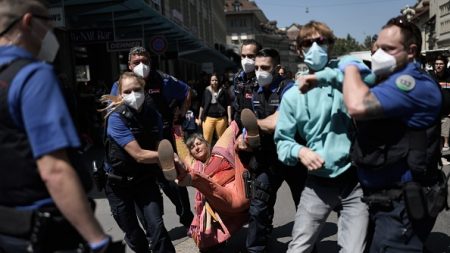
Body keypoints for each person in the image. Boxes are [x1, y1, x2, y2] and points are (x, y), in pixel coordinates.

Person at [0, 0, 111, 252]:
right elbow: (55, 171)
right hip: (42, 231)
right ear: (28, 22)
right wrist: (97, 240)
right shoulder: (33, 76)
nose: (50, 32)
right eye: (48, 23)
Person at [340, 16, 444, 252]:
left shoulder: (412, 82)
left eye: (387, 49)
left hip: (402, 201)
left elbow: (356, 106)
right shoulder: (386, 81)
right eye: (375, 49)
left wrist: (348, 68)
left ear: (411, 51)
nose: (378, 55)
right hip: (380, 196)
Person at [274, 20, 369, 253]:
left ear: (331, 45)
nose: (315, 47)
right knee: (298, 247)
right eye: (308, 43)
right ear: (299, 50)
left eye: (321, 41)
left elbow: (369, 78)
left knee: (354, 250)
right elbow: (282, 142)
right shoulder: (292, 96)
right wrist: (300, 151)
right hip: (318, 184)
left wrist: (323, 77)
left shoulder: (347, 71)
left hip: (354, 180)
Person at [110, 46, 194, 228]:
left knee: (172, 182)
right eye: (137, 62)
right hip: (135, 143)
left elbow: (187, 91)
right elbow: (112, 109)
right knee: (144, 187)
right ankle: (153, 229)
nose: (142, 65)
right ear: (129, 65)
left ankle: (187, 217)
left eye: (145, 61)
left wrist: (180, 111)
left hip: (161, 139)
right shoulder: (120, 84)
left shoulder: (162, 79)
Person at [234, 47, 307, 253]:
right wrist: (244, 137)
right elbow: (247, 123)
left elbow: (279, 122)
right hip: (269, 159)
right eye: (256, 67)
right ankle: (256, 249)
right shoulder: (256, 91)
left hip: (294, 159)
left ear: (276, 68)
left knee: (305, 210)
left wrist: (253, 126)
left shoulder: (289, 89)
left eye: (264, 67)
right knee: (258, 207)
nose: (259, 72)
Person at [101, 72, 175, 253]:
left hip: (144, 180)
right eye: (127, 91)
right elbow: (139, 155)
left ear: (144, 90)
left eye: (137, 89)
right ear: (120, 94)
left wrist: (171, 168)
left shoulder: (153, 116)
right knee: (135, 236)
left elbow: (159, 146)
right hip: (118, 184)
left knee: (156, 227)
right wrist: (169, 157)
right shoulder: (116, 118)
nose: (133, 94)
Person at [158, 122, 249, 252]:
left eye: (198, 143)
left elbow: (232, 129)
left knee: (237, 149)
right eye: (193, 147)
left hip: (239, 190)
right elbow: (185, 154)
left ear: (206, 144)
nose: (196, 147)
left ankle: (186, 178)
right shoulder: (198, 167)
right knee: (197, 176)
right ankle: (178, 170)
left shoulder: (220, 152)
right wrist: (176, 127)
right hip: (220, 204)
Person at [196, 73, 232, 144]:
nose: (214, 82)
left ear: (218, 81)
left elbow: (228, 105)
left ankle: (220, 155)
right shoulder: (206, 91)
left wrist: (229, 118)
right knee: (206, 140)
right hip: (208, 118)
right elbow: (202, 105)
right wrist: (200, 117)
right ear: (210, 81)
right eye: (212, 80)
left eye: (216, 80)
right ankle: (207, 154)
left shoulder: (223, 90)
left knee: (221, 140)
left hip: (221, 118)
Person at [428, 54, 450, 165]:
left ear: (445, 65)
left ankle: (442, 156)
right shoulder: (430, 77)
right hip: (433, 113)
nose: (438, 66)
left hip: (447, 113)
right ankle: (439, 158)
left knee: (445, 136)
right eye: (436, 64)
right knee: (436, 137)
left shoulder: (449, 77)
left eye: (441, 64)